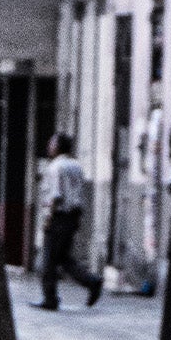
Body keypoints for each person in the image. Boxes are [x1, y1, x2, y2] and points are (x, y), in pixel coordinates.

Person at [33, 132, 103, 310]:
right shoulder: (76, 165)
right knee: (63, 258)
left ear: (58, 146)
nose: (49, 146)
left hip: (58, 216)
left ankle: (50, 298)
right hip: (73, 216)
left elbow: (56, 195)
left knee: (49, 260)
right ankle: (91, 281)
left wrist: (48, 218)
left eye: (52, 143)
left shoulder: (55, 167)